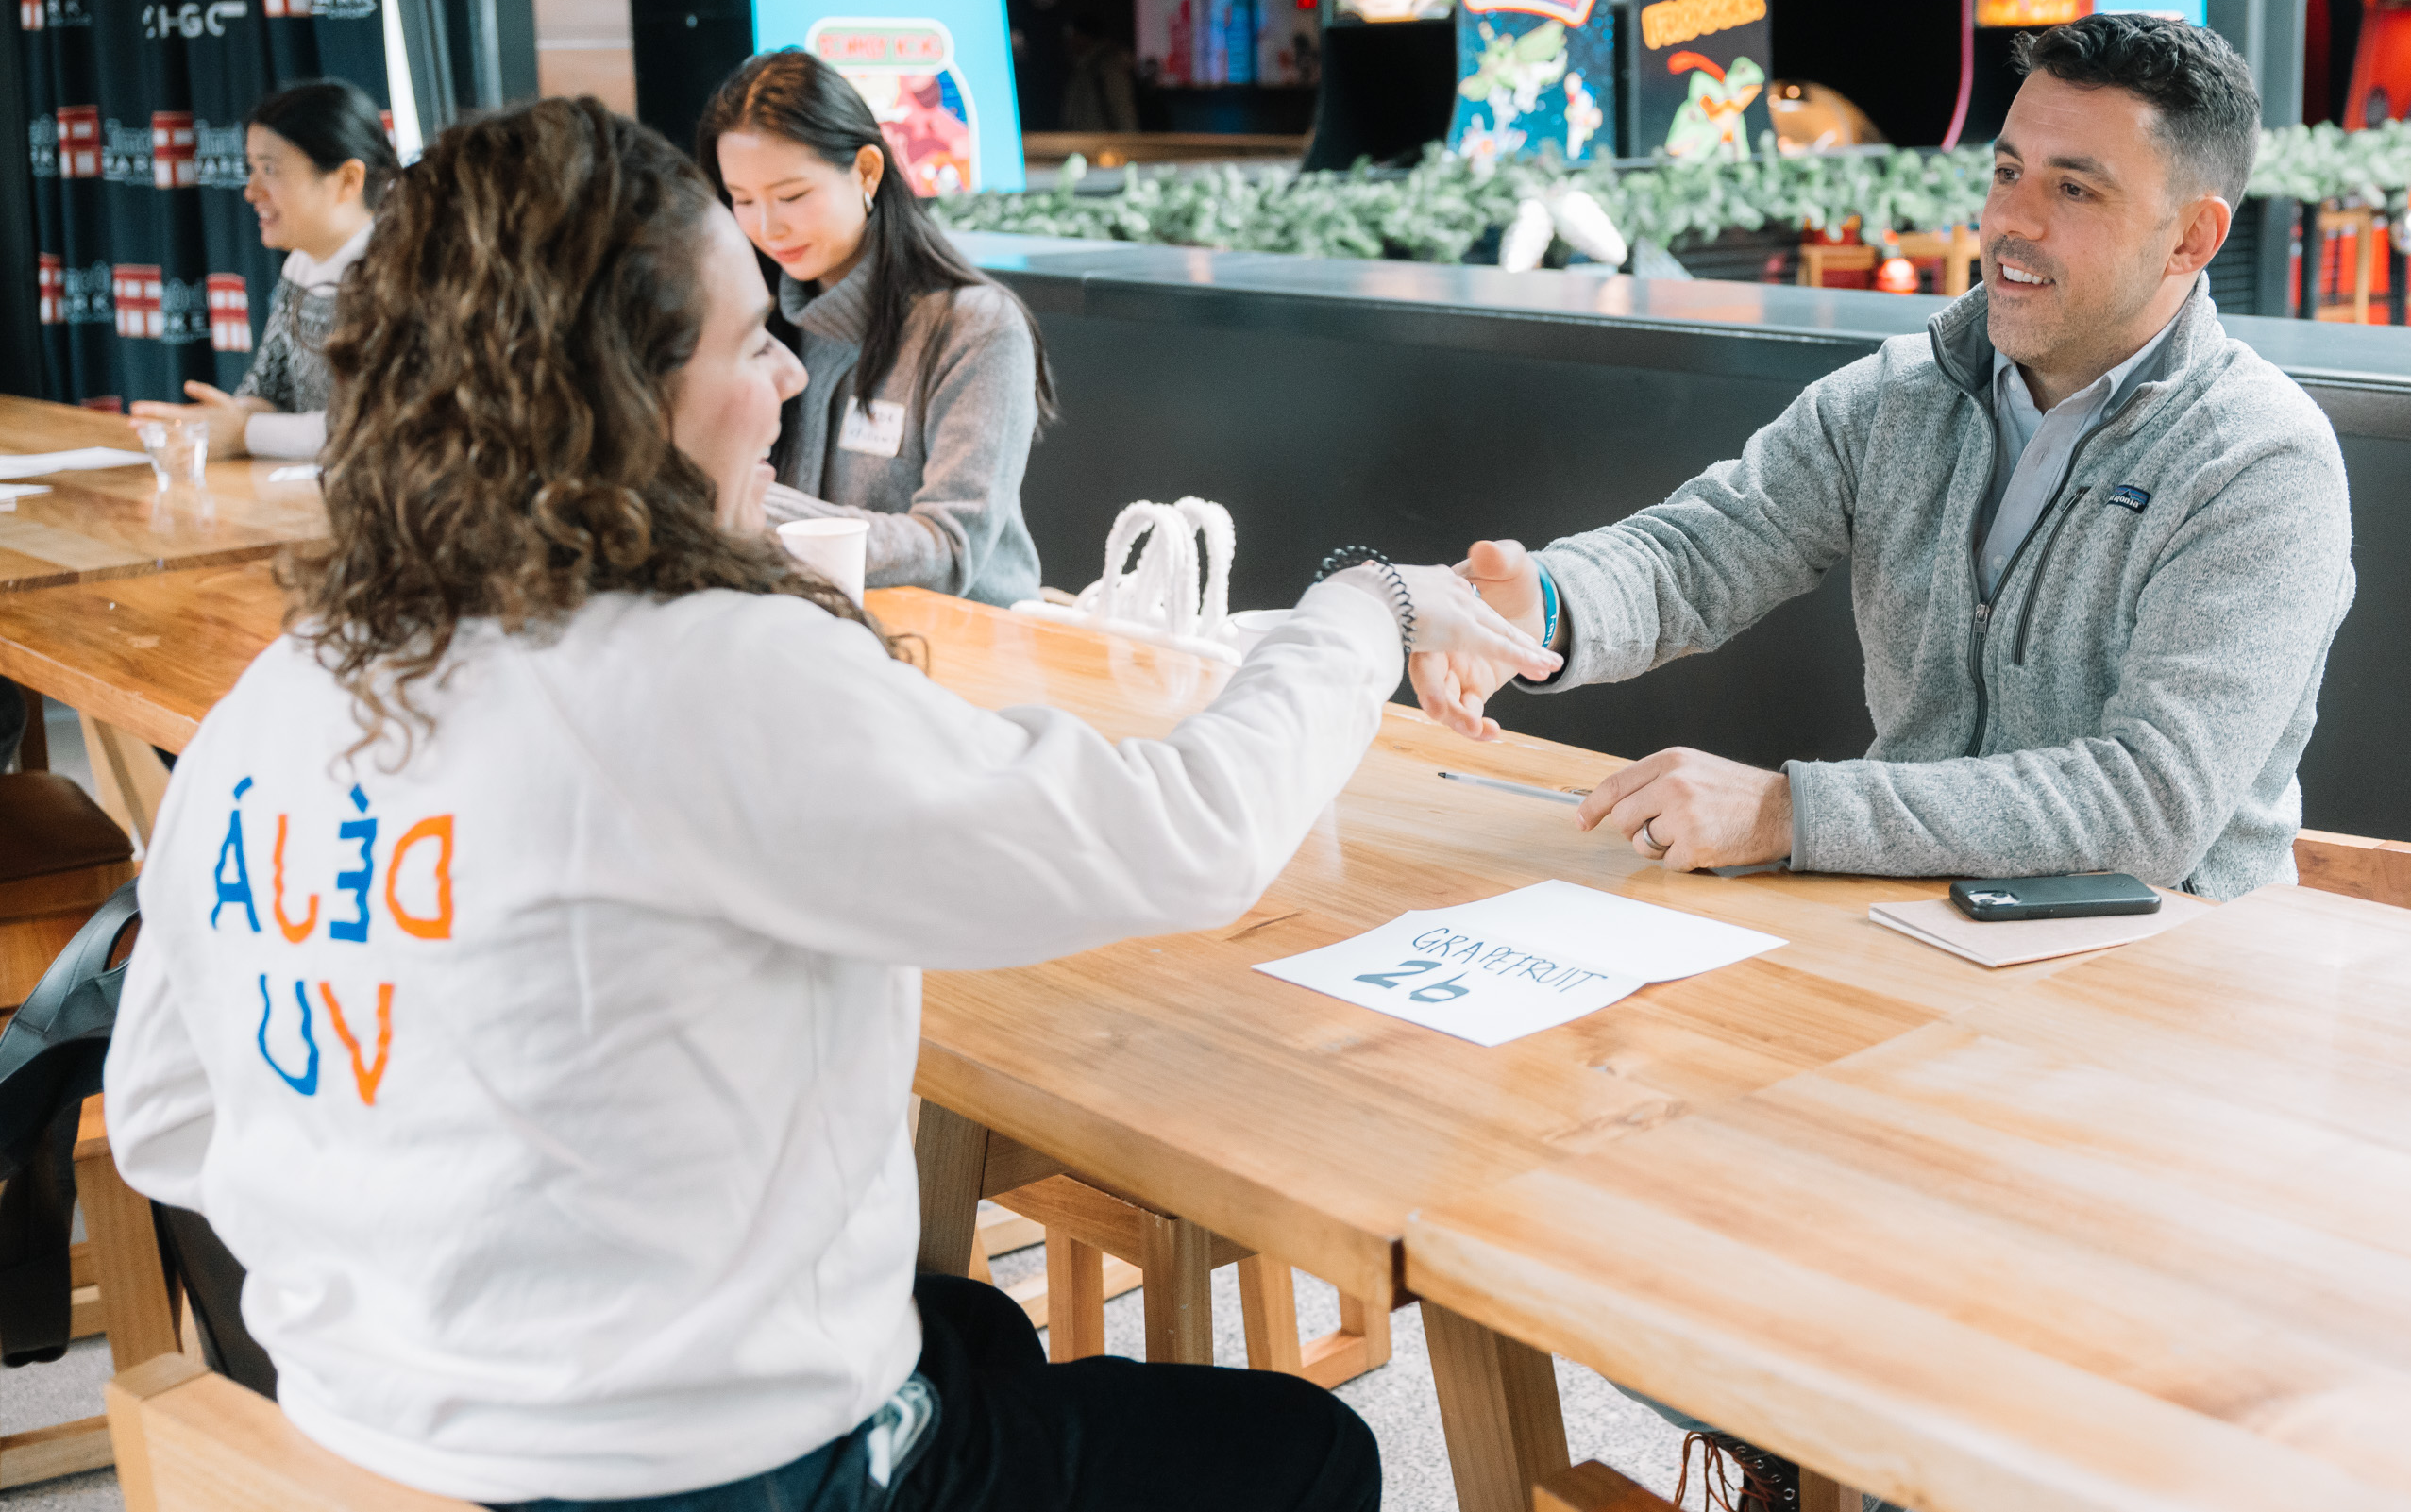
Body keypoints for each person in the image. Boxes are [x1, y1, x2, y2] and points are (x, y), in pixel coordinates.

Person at [99, 95, 1556, 1511]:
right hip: (708, 1477)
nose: (789, 381)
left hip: (346, 1442)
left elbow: (164, 1122)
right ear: (620, 398)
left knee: (968, 1329)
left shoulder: (280, 693)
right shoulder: (707, 668)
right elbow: (1193, 834)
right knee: (1303, 1453)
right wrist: (1364, 611)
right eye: (749, 344)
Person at [1429, 11, 2356, 899]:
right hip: (1912, 918)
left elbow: (2149, 805)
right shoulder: (1898, 396)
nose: (2013, 220)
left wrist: (1791, 812)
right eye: (2007, 172)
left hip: (2167, 958)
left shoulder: (2260, 461)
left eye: (2073, 189)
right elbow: (1697, 554)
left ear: (2192, 238)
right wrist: (1544, 606)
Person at [698, 50, 1051, 605]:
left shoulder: (975, 328)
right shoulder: (758, 323)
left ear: (866, 171)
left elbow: (948, 550)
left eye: (792, 196)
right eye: (742, 200)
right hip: (816, 629)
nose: (768, 226)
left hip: (966, 639)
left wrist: (750, 502)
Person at [129, 79, 397, 460]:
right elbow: (271, 390)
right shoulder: (301, 264)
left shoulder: (401, 273)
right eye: (252, 169)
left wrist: (244, 431)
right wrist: (217, 421)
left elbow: (375, 426)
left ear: (347, 180)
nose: (251, 191)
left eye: (270, 169)